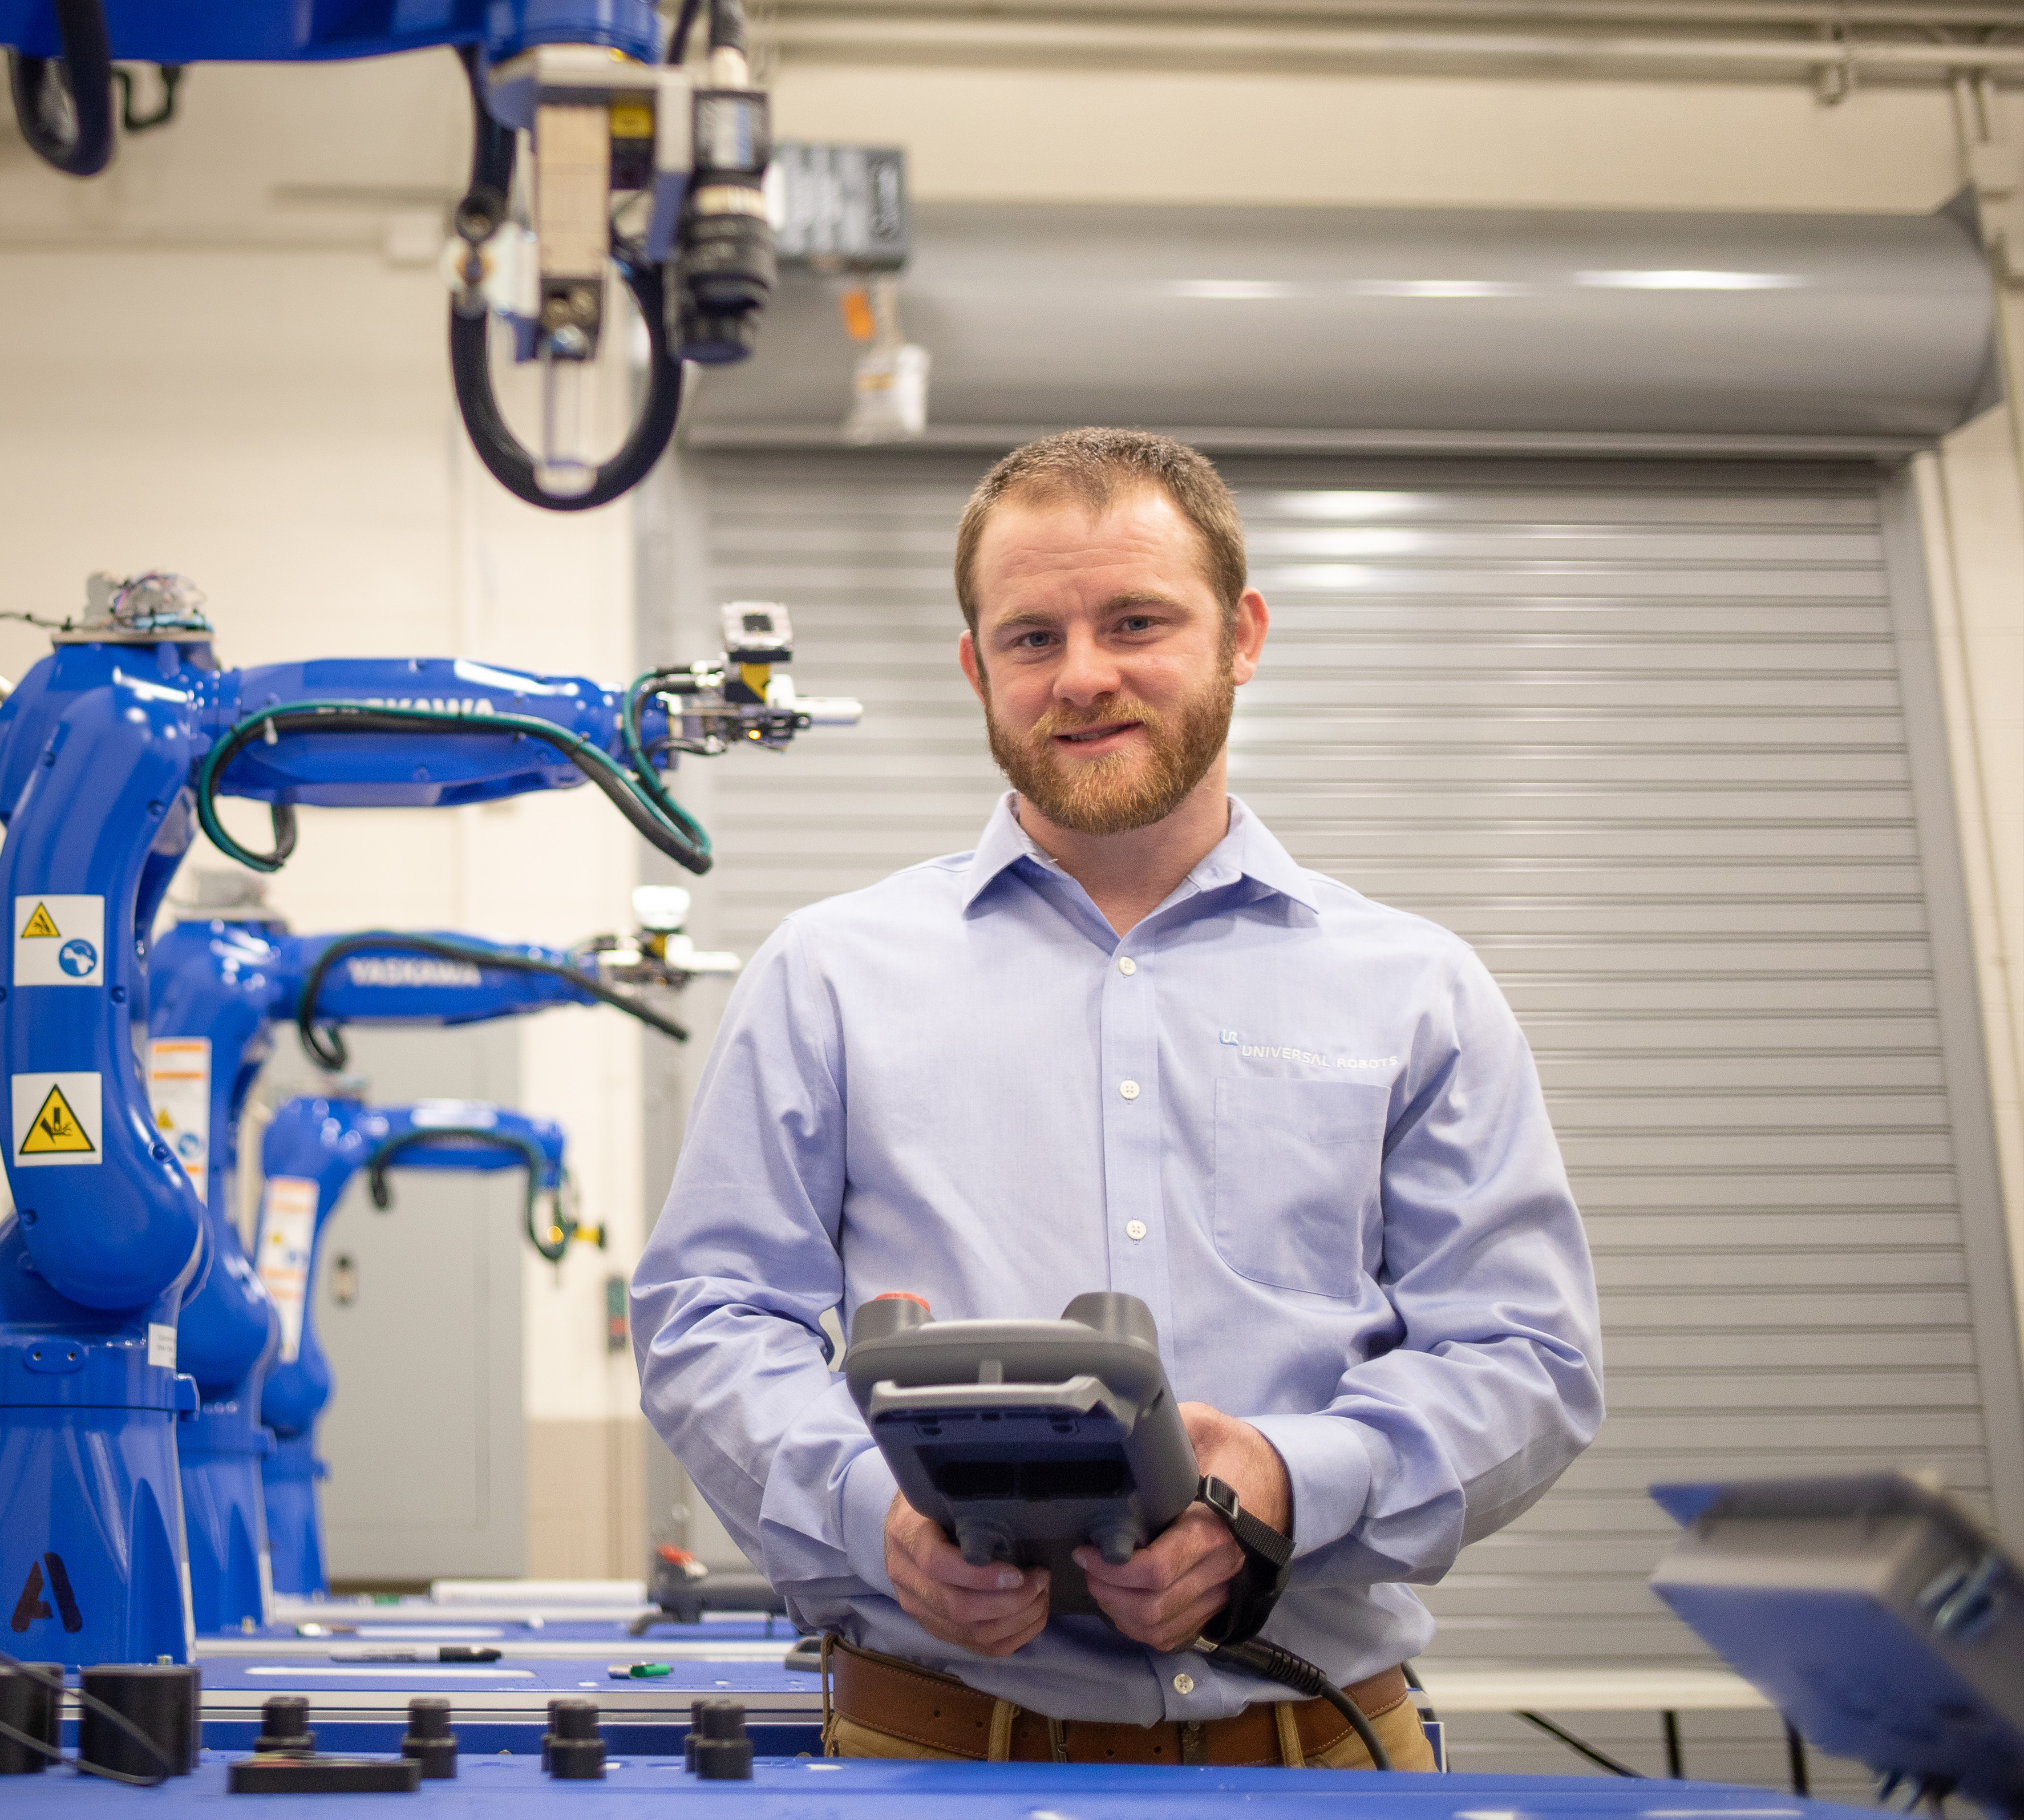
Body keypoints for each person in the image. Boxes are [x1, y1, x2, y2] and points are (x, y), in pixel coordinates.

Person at [632, 427, 1602, 1770]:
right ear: (975, 668)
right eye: (1030, 637)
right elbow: (708, 1318)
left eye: (1135, 619)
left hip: (1316, 1754)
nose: (1081, 675)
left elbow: (1526, 1359)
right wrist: (872, 1512)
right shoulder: (829, 975)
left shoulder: (1413, 987)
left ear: (1240, 633)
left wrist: (1281, 1477)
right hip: (929, 1754)